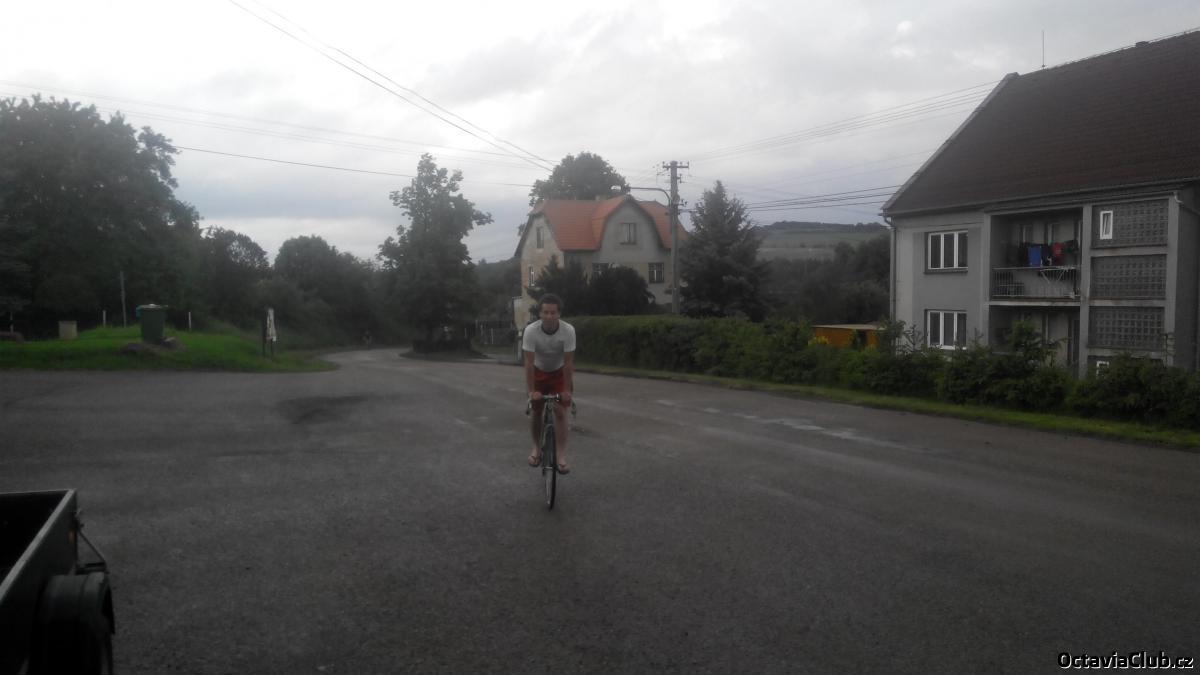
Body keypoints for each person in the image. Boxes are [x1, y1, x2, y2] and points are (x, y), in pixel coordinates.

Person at [523, 294, 575, 474]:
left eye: (553, 313)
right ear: (540, 313)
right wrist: (531, 391)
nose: (549, 316)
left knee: (560, 411)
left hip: (559, 372)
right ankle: (536, 448)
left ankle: (560, 456)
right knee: (536, 410)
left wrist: (566, 390)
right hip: (538, 371)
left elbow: (568, 362)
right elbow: (529, 363)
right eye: (545, 312)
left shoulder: (568, 330)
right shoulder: (531, 331)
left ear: (559, 314)